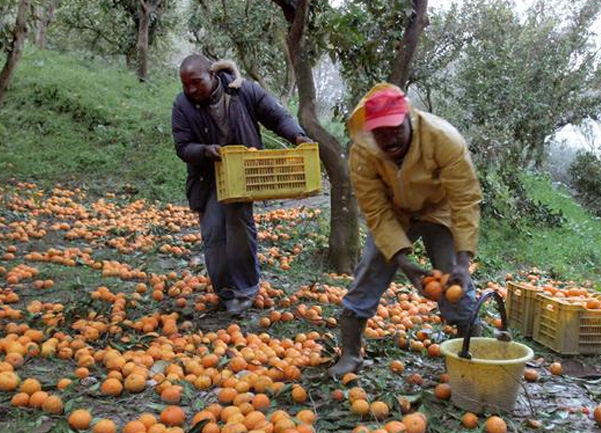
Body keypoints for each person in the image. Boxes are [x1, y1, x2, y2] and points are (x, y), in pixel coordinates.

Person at [328, 83, 484, 377]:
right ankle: (350, 354)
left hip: (439, 208)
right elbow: (375, 209)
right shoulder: (363, 152)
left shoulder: (443, 139)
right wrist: (403, 262)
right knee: (371, 267)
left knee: (453, 277)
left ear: (408, 118)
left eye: (395, 129)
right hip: (394, 212)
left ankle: (472, 352)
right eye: (380, 132)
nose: (388, 139)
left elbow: (465, 200)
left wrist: (464, 262)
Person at [172, 54, 312, 316]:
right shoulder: (183, 105)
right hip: (208, 177)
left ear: (212, 75)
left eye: (196, 82)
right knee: (214, 233)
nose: (191, 90)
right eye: (185, 85)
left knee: (238, 228)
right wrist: (204, 150)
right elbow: (182, 146)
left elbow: (276, 116)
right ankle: (225, 292)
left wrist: (298, 136)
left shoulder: (243, 91)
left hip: (241, 174)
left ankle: (245, 290)